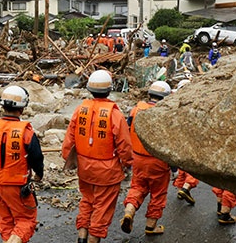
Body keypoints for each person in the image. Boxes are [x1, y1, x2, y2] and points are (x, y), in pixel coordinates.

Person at [62, 70, 133, 243]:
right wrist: (128, 163)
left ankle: (82, 236)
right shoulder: (114, 115)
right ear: (110, 90)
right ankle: (93, 239)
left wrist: (69, 160)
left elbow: (69, 140)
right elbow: (124, 144)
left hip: (85, 168)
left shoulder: (80, 110)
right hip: (107, 172)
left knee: (87, 201)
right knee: (102, 206)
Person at [0, 85, 44, 243]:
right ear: (23, 107)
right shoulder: (26, 133)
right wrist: (40, 174)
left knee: (6, 221)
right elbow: (37, 159)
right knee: (26, 221)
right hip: (17, 187)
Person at [120, 81, 172, 236]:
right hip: (158, 161)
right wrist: (174, 166)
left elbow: (127, 131)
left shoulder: (136, 110)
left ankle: (129, 211)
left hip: (137, 158)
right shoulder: (166, 114)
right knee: (158, 193)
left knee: (137, 187)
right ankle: (151, 226)